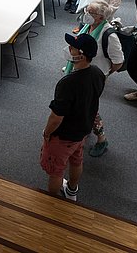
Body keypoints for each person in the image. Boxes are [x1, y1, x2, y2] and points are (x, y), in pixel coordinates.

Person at [42, 33, 105, 201]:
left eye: (72, 47)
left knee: (56, 170)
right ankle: (71, 190)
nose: (69, 49)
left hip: (64, 135)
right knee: (77, 160)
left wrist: (47, 133)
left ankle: (51, 202)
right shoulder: (98, 73)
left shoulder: (68, 83)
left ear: (81, 56)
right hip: (82, 131)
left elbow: (56, 117)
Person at [67, 0, 124, 158]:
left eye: (90, 12)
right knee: (82, 105)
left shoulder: (109, 35)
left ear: (100, 17)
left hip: (93, 78)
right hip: (81, 72)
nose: (86, 14)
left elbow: (118, 62)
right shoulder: (87, 27)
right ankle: (84, 129)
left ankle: (102, 139)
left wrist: (104, 73)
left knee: (89, 108)